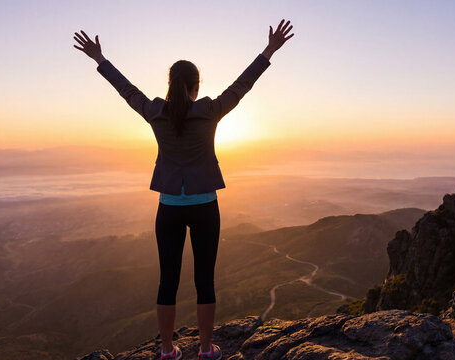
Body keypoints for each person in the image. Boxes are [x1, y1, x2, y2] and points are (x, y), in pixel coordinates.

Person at [73, 19, 294, 360]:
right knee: (205, 280)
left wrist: (100, 60)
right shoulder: (208, 111)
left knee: (168, 281)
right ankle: (206, 350)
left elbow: (127, 90)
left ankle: (166, 352)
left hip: (169, 208)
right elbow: (241, 85)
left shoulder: (155, 112)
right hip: (205, 205)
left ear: (170, 84)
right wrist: (268, 51)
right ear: (196, 85)